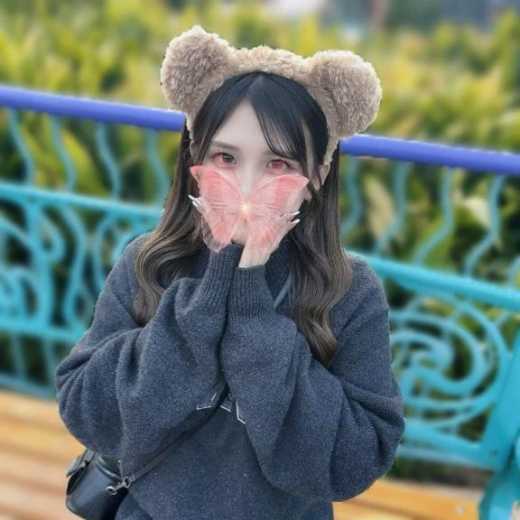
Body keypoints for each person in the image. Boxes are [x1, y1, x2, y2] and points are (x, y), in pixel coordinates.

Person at [55, 25, 405, 520]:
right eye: (225, 157)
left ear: (317, 176)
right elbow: (86, 409)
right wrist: (207, 294)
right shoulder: (150, 262)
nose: (246, 186)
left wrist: (252, 310)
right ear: (194, 158)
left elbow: (356, 457)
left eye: (278, 164)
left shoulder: (349, 292)